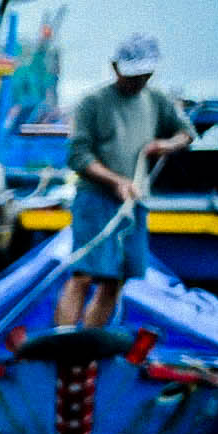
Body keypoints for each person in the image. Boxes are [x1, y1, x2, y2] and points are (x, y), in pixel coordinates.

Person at [55, 33, 193, 329]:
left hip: (134, 203)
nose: (137, 81)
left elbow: (186, 132)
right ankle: (64, 342)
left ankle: (88, 347)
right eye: (132, 74)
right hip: (96, 200)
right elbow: (78, 155)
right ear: (116, 68)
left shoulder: (157, 100)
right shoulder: (93, 102)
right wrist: (115, 181)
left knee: (115, 280)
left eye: (143, 75)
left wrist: (164, 145)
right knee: (83, 275)